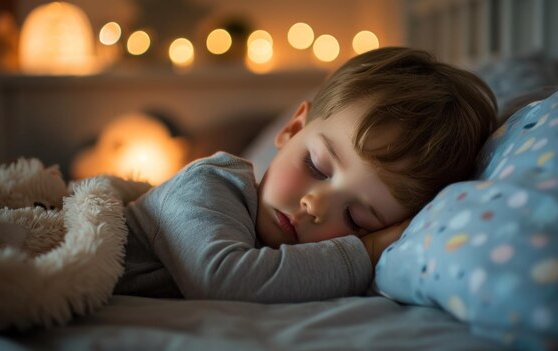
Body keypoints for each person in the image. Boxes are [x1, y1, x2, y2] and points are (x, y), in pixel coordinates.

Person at [113, 47, 497, 302]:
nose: (315, 205)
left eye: (356, 218)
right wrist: (367, 248)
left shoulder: (287, 263)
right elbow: (222, 280)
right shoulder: (208, 187)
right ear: (293, 130)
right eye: (316, 166)